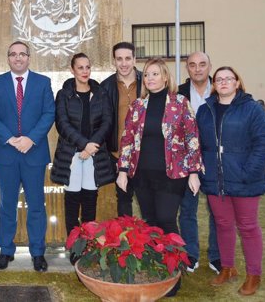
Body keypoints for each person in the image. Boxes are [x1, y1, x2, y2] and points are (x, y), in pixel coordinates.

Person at [116, 57, 202, 297]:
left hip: (171, 175)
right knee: (151, 223)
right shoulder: (138, 106)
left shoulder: (179, 103)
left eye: (156, 74)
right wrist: (123, 170)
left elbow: (192, 139)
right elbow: (127, 140)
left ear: (165, 77)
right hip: (142, 175)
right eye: (148, 74)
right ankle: (157, 271)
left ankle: (175, 275)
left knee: (166, 220)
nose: (151, 78)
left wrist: (194, 172)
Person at [196, 66, 265, 296]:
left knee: (248, 227)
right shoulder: (205, 110)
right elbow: (197, 143)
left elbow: (264, 142)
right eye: (219, 79)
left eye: (229, 78)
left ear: (237, 83)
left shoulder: (252, 109)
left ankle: (253, 274)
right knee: (222, 224)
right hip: (214, 180)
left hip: (244, 180)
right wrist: (202, 170)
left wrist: (248, 172)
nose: (224, 82)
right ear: (214, 84)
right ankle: (228, 268)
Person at [0, 41, 55, 272]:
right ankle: (6, 251)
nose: (17, 58)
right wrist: (10, 138)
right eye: (13, 54)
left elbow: (48, 113)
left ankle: (37, 253)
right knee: (7, 204)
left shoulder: (43, 82)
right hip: (7, 152)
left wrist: (30, 139)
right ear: (8, 58)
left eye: (22, 54)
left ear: (29, 57)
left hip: (33, 153)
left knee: (36, 205)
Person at [50, 53, 114, 242]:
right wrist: (83, 145)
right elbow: (62, 123)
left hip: (94, 155)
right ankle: (73, 245)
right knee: (71, 203)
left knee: (89, 202)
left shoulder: (101, 93)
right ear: (72, 70)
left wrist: (92, 146)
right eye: (80, 67)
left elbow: (107, 122)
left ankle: (87, 245)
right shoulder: (64, 94)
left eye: (87, 67)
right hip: (72, 155)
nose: (85, 71)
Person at [177, 52, 221, 274]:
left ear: (209, 66)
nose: (198, 69)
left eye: (202, 64)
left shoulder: (221, 89)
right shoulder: (178, 93)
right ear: (187, 68)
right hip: (187, 161)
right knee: (187, 210)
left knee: (217, 211)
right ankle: (190, 254)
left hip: (215, 161)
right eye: (192, 65)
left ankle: (217, 256)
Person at [99, 42, 142, 217]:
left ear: (134, 59)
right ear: (114, 61)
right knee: (123, 200)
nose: (123, 63)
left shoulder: (148, 82)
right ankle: (129, 242)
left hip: (145, 154)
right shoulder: (105, 86)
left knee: (149, 201)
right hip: (117, 155)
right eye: (119, 59)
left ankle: (153, 244)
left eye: (127, 58)